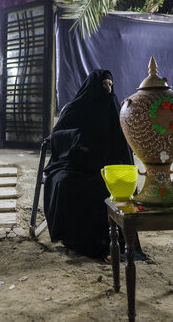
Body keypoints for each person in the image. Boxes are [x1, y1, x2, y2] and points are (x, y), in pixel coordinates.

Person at [43, 69, 146, 260]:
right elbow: (57, 135)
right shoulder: (77, 107)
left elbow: (123, 142)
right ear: (92, 87)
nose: (108, 89)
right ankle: (78, 242)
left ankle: (110, 243)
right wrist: (77, 139)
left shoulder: (114, 107)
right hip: (77, 164)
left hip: (107, 166)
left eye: (110, 85)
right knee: (67, 184)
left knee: (108, 188)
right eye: (103, 85)